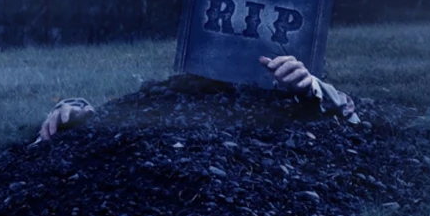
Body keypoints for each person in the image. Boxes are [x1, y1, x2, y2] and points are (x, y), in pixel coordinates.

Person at [35, 54, 358, 143]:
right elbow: (112, 114)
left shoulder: (286, 99)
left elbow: (349, 116)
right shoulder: (170, 92)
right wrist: (72, 112)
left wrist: (309, 86)